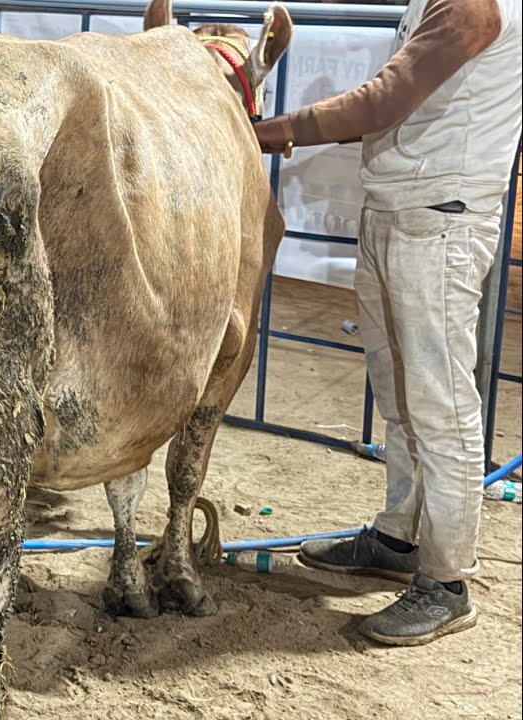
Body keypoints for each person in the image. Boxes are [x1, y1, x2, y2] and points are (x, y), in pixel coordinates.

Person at [252, 0, 520, 645]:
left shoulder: (473, 6)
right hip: (402, 206)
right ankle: (399, 539)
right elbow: (403, 104)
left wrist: (265, 130)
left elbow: (385, 100)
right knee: (399, 391)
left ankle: (446, 583)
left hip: (439, 218)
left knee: (440, 400)